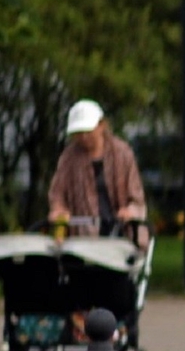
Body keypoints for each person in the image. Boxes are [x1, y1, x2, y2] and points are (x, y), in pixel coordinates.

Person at [47, 99, 149, 246]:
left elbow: (136, 196)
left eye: (88, 131)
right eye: (78, 133)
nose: (83, 137)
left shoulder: (122, 153)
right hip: (83, 237)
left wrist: (129, 211)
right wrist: (59, 210)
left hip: (122, 235)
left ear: (102, 125)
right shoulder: (68, 158)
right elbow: (57, 194)